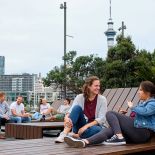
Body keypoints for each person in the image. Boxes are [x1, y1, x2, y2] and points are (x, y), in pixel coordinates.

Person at [64, 81, 155, 147]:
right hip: (135, 133)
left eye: (140, 90)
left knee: (110, 113)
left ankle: (119, 137)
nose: (138, 92)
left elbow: (145, 112)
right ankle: (85, 142)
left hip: (143, 133)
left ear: (147, 92)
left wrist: (132, 107)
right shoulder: (142, 103)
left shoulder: (153, 103)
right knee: (110, 130)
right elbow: (135, 119)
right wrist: (123, 115)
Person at [55, 76, 107, 143]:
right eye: (96, 86)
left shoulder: (102, 99)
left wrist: (85, 127)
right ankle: (64, 134)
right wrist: (66, 117)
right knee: (77, 107)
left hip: (93, 127)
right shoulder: (79, 97)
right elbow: (72, 110)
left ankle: (76, 136)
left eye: (99, 86)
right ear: (89, 86)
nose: (98, 88)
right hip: (79, 127)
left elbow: (102, 118)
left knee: (99, 130)